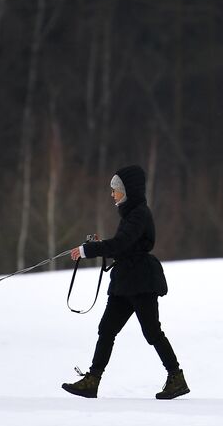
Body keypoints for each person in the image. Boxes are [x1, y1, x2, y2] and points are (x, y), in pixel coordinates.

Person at [62, 164, 189, 400]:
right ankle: (92, 380)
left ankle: (176, 378)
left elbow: (121, 244)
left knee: (152, 332)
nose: (112, 194)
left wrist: (87, 249)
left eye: (115, 189)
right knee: (107, 329)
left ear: (128, 190)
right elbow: (123, 246)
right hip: (126, 282)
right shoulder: (131, 214)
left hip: (141, 281)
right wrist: (99, 246)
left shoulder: (139, 213)